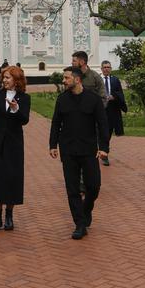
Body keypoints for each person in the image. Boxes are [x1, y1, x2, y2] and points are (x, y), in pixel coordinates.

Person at [49, 66, 110, 238]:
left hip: (89, 150)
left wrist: (104, 147)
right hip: (68, 150)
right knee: (72, 189)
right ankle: (79, 224)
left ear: (77, 79)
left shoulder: (93, 99)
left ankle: (86, 209)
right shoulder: (62, 99)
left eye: (66, 78)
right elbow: (56, 123)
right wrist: (53, 144)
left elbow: (102, 124)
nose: (63, 81)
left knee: (94, 186)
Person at [0, 66, 30, 232]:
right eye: (4, 77)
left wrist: (16, 109)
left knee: (12, 176)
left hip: (14, 142)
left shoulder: (24, 98)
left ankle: (9, 215)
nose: (4, 80)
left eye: (8, 78)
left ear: (17, 80)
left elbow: (24, 120)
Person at [100, 61, 127, 165]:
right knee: (102, 132)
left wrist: (114, 96)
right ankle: (103, 152)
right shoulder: (98, 79)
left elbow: (120, 93)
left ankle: (104, 151)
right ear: (101, 69)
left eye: (108, 67)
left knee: (108, 132)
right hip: (101, 110)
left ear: (111, 69)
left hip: (112, 110)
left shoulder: (115, 80)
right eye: (104, 67)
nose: (106, 69)